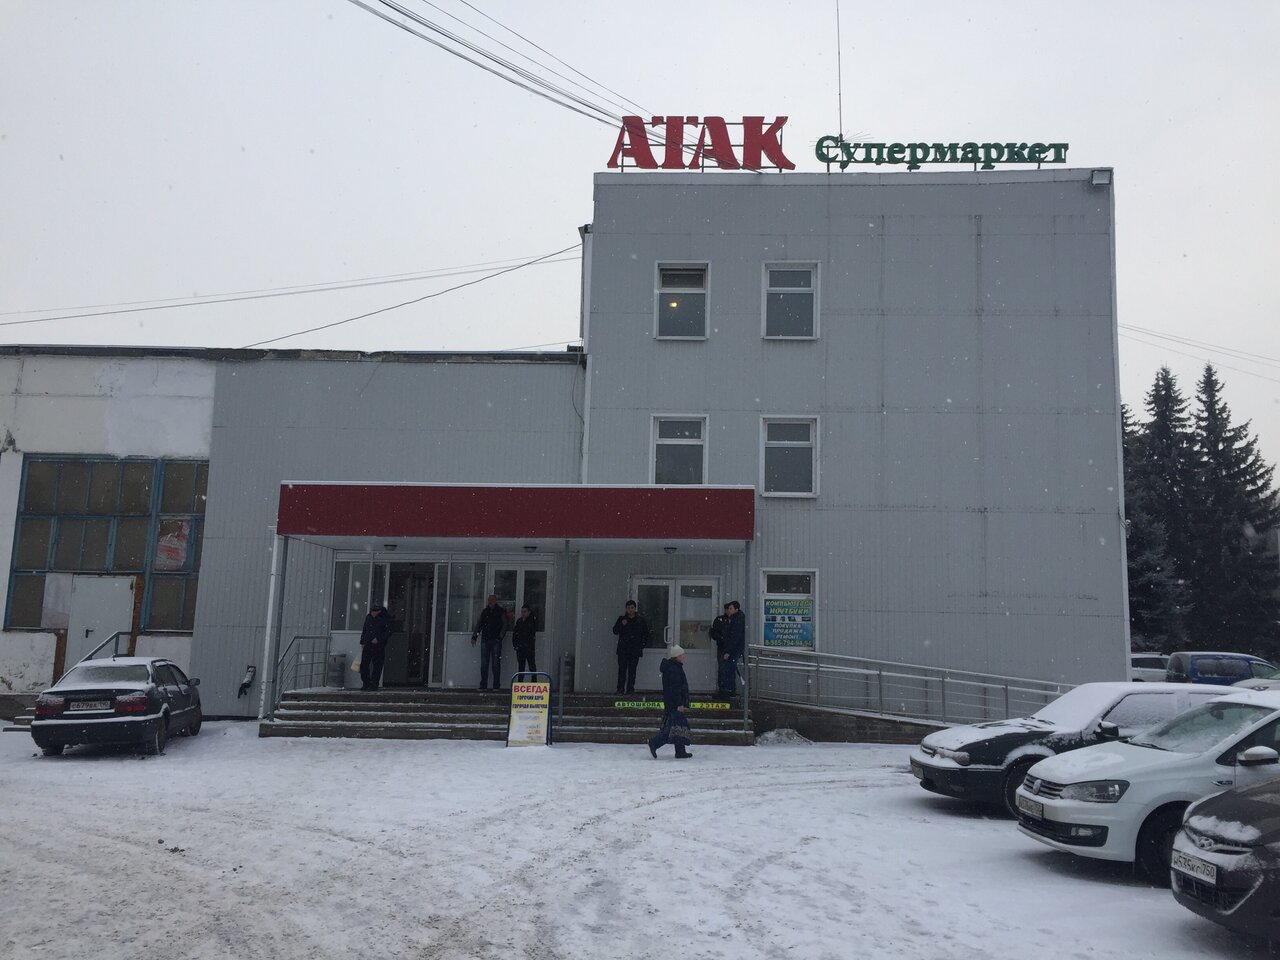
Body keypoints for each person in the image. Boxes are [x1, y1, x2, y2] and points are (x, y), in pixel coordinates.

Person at [648, 645, 692, 759]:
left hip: (671, 702)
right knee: (674, 727)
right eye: (681, 655)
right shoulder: (674, 669)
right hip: (674, 703)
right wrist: (679, 704)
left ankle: (680, 751)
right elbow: (675, 688)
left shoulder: (673, 667)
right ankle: (655, 743)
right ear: (677, 656)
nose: (683, 657)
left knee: (678, 726)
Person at [471, 595, 509, 691]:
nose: (490, 602)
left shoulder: (500, 611)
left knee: (495, 664)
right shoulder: (485, 612)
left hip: (495, 640)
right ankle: (484, 685)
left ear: (495, 601)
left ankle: (496, 685)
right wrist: (474, 636)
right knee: (484, 664)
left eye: (492, 600)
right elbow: (479, 624)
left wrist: (500, 637)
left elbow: (505, 625)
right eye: (489, 600)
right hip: (486, 639)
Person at [612, 600, 650, 694]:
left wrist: (641, 645)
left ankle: (630, 689)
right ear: (626, 609)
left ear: (635, 608)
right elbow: (615, 631)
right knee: (622, 670)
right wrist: (621, 624)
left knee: (632, 671)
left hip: (634, 650)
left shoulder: (640, 620)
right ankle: (620, 689)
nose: (630, 610)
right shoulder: (622, 619)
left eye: (632, 608)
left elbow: (646, 634)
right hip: (623, 650)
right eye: (628, 608)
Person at [714, 600, 746, 697]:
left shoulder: (737, 620)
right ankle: (727, 690)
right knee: (728, 669)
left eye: (731, 608)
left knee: (728, 670)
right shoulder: (734, 619)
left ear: (736, 609)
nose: (729, 610)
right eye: (728, 608)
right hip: (731, 649)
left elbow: (734, 637)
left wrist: (728, 651)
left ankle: (728, 691)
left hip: (733, 650)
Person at [359, 604, 393, 691]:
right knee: (364, 665)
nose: (373, 613)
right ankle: (366, 683)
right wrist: (362, 641)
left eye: (375, 611)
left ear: (379, 611)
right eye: (372, 611)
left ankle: (374, 684)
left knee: (377, 666)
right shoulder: (369, 618)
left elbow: (388, 632)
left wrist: (378, 639)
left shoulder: (384, 619)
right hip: (368, 644)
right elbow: (365, 629)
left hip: (379, 646)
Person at [511, 604, 538, 679]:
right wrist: (515, 645)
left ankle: (534, 683)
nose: (523, 614)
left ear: (529, 612)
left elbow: (531, 632)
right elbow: (515, 634)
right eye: (522, 612)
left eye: (525, 612)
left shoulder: (532, 621)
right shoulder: (519, 621)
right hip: (520, 648)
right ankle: (520, 683)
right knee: (521, 667)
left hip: (529, 648)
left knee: (532, 666)